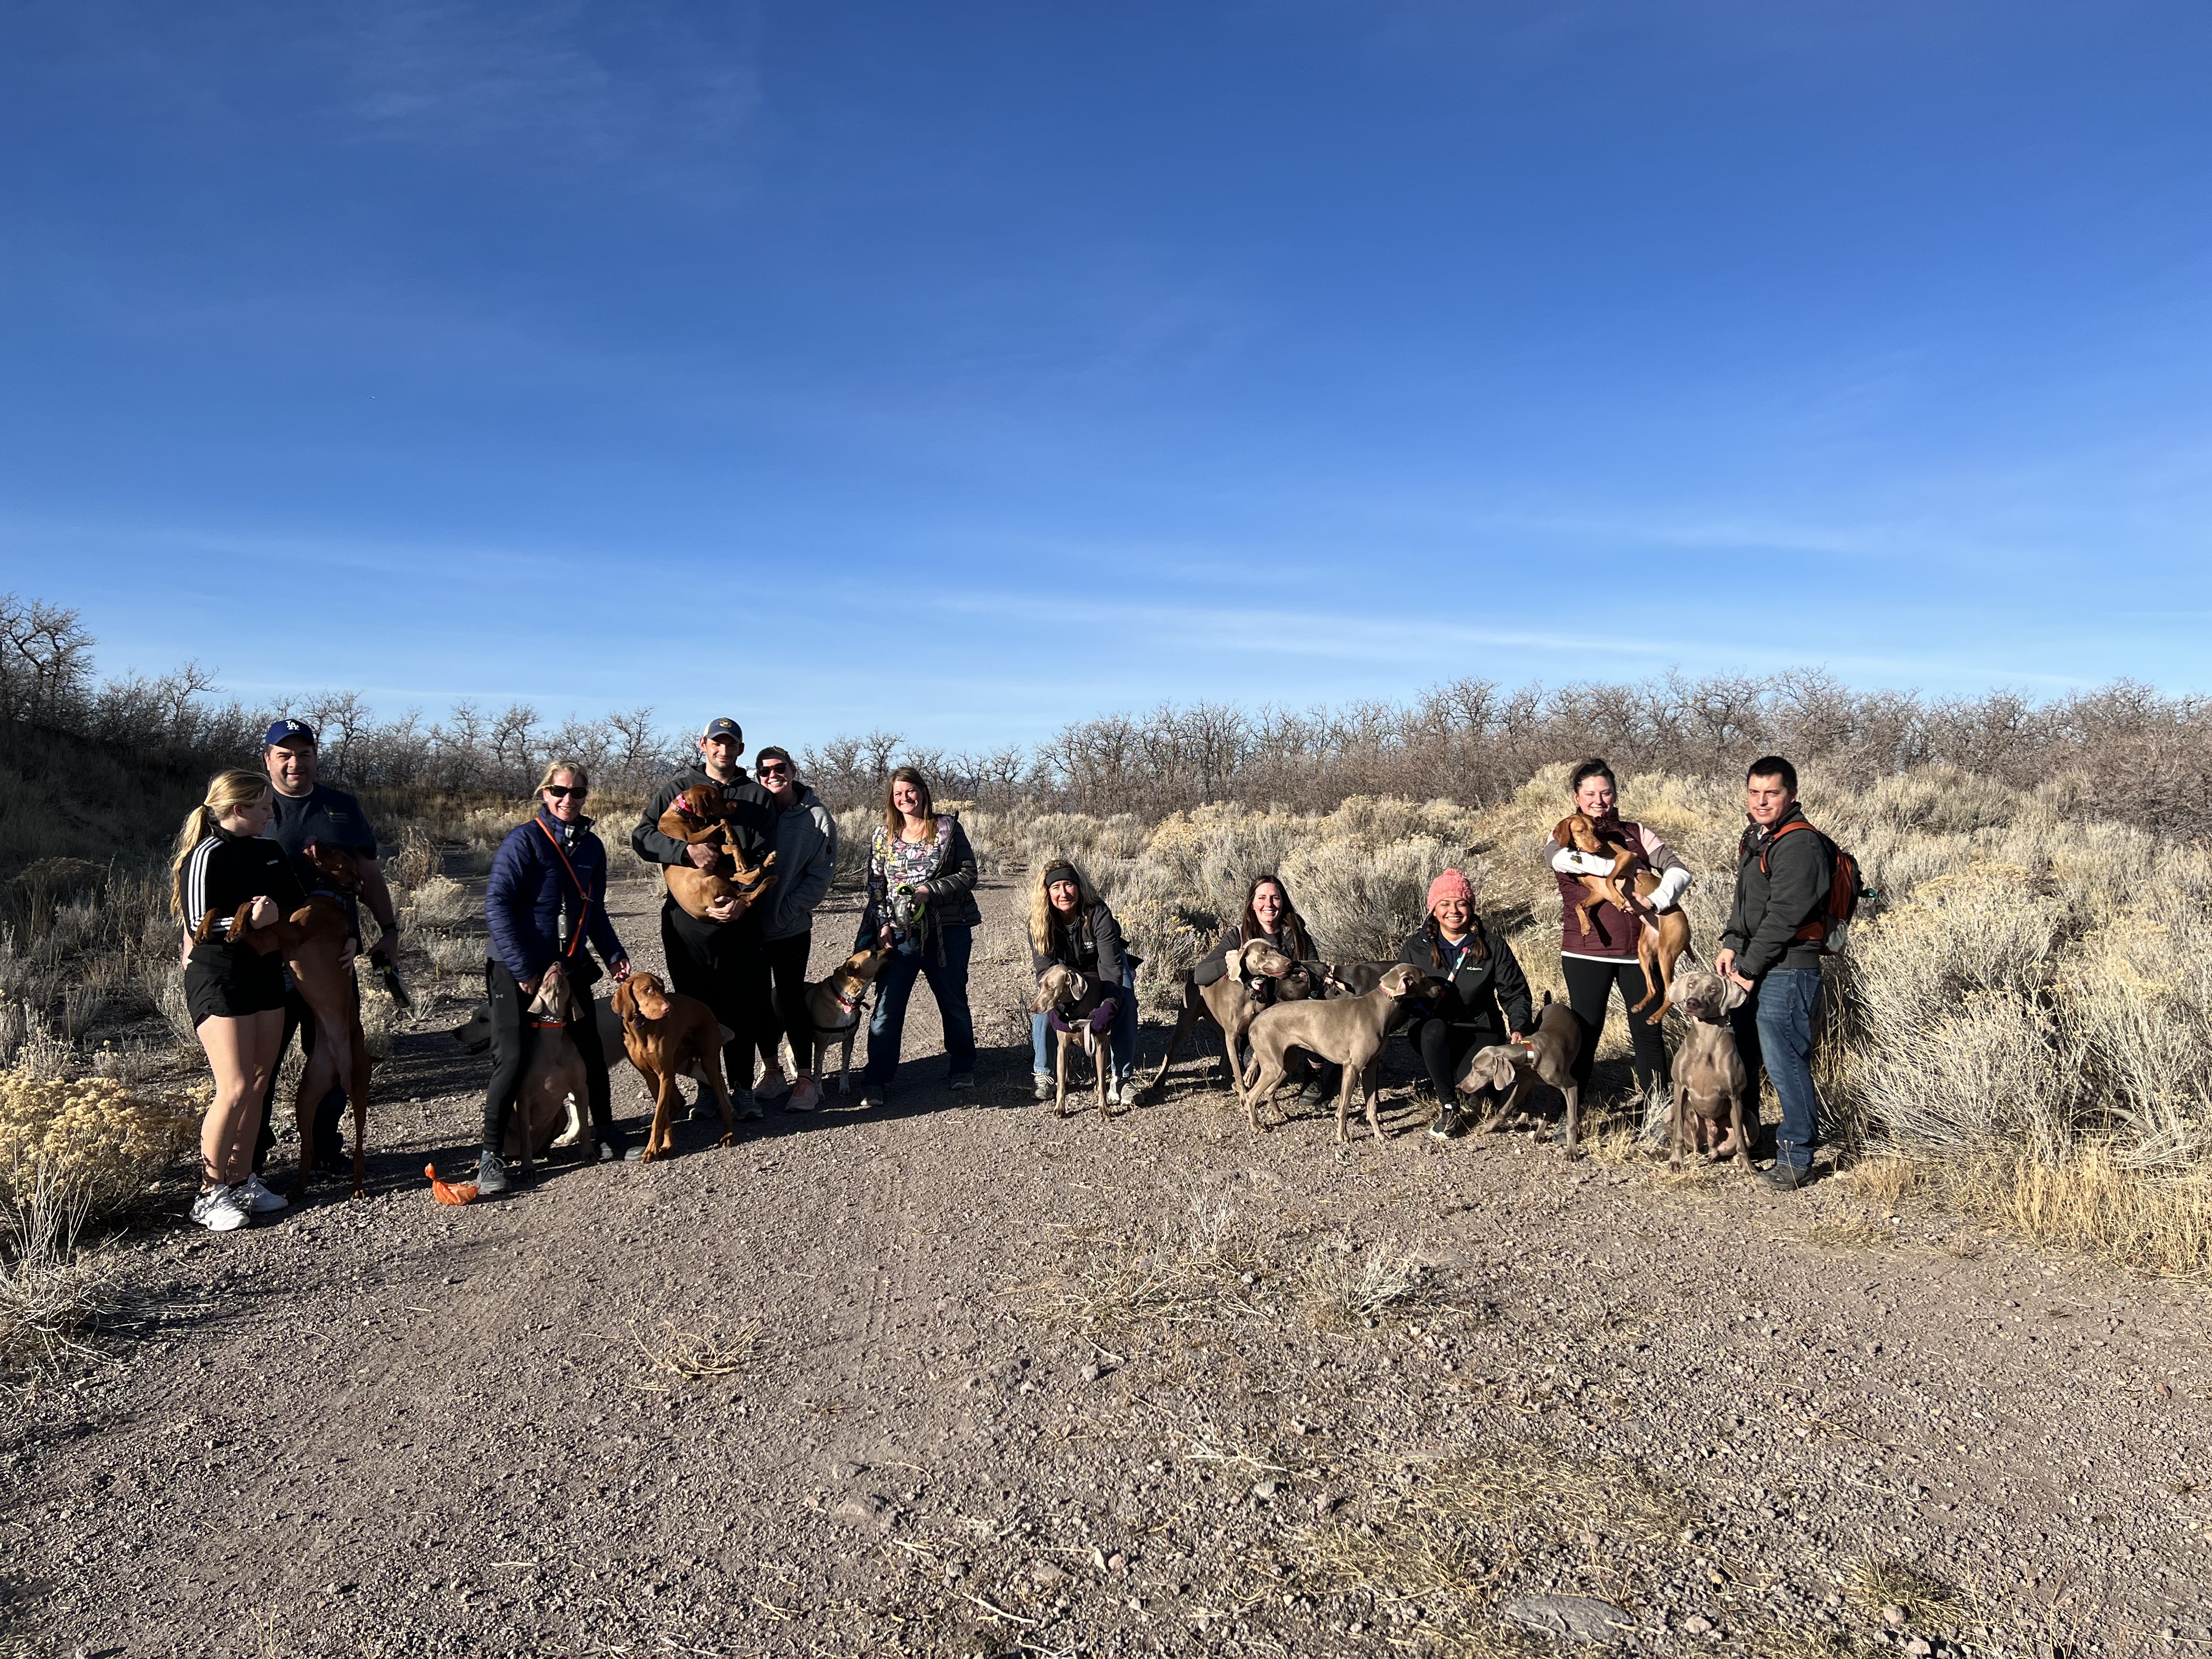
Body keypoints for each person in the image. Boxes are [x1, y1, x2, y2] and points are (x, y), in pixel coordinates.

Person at [252, 718, 402, 1180]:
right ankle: (251, 1161)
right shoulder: (253, 805)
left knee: (336, 1051)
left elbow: (368, 874)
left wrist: (388, 930)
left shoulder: (341, 807)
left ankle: (324, 1150)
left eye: (305, 754)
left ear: (316, 757)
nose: (295, 763)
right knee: (262, 1062)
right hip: (271, 958)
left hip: (335, 953)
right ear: (268, 759)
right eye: (285, 755)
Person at [478, 760, 633, 1191]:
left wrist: (614, 954)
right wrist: (523, 969)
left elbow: (593, 911)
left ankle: (606, 1134)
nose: (568, 800)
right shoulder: (524, 840)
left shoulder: (592, 847)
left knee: (589, 1049)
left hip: (566, 965)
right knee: (512, 1056)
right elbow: (497, 906)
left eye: (578, 792)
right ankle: (491, 1155)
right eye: (559, 791)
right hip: (516, 966)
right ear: (544, 793)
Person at [172, 769, 304, 1231]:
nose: (272, 814)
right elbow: (198, 925)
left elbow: (295, 904)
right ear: (237, 809)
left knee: (259, 1082)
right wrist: (252, 919)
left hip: (266, 974)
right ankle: (208, 1194)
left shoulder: (270, 850)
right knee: (233, 1085)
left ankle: (242, 1179)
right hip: (220, 977)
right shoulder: (205, 855)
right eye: (265, 806)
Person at [632, 718, 775, 1120]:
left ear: (740, 749)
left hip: (740, 917)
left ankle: (742, 1089)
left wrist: (744, 903)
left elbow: (766, 853)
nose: (723, 749)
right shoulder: (676, 790)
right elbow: (642, 838)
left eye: (731, 744)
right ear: (704, 744)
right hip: (688, 921)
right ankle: (709, 1091)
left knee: (743, 1003)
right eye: (717, 742)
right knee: (695, 1006)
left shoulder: (756, 796)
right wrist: (685, 852)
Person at [1716, 755, 1834, 1192]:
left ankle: (1797, 1157)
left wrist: (1748, 967)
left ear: (1792, 795)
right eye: (1754, 792)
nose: (1761, 801)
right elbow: (1745, 900)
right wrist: (1732, 942)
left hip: (1788, 971)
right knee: (1745, 1056)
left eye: (1772, 793)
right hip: (1755, 964)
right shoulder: (1758, 836)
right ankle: (1747, 1138)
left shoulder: (1800, 844)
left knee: (1786, 1064)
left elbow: (1785, 916)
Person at [1542, 759, 1691, 1105]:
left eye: (1606, 793)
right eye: (1590, 794)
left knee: (1648, 1033)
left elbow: (1680, 872)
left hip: (1637, 950)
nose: (1599, 800)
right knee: (1584, 1034)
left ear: (1615, 794)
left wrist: (1655, 901)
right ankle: (1571, 1113)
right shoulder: (1563, 833)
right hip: (1586, 950)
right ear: (1577, 797)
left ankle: (1659, 1112)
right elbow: (1562, 860)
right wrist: (1626, 864)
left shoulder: (1637, 833)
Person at [857, 766, 980, 1106]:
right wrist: (883, 924)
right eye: (898, 793)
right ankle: (877, 1079)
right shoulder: (882, 835)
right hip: (899, 935)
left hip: (947, 930)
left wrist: (931, 891)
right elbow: (876, 884)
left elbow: (969, 873)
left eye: (910, 791)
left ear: (923, 792)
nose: (905, 798)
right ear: (891, 799)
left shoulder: (947, 828)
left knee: (953, 1001)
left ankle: (962, 1067)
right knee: (887, 1006)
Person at [1396, 868, 1533, 1139]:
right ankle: (1449, 1107)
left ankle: (1461, 1085)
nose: (1454, 911)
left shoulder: (1492, 945)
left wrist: (1520, 1026)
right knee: (1433, 1031)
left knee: (1475, 1087)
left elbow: (1514, 992)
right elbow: (1397, 995)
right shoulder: (1415, 948)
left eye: (1461, 904)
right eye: (1445, 904)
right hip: (1432, 1028)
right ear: (1433, 909)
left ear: (1471, 908)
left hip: (1480, 1026)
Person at [749, 746, 839, 1113]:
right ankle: (772, 1072)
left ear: (792, 770)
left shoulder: (816, 817)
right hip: (749, 928)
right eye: (765, 770)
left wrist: (785, 912)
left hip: (790, 928)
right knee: (757, 1001)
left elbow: (820, 877)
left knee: (791, 999)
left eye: (779, 768)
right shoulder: (752, 810)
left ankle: (806, 1080)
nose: (773, 775)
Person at [1192, 873, 1332, 1100]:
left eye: (1275, 898)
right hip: (1259, 1019)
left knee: (1322, 1008)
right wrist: (1229, 962)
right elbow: (1200, 975)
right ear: (1252, 904)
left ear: (1283, 902)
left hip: (1294, 1012)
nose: (1269, 904)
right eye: (1262, 898)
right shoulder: (1239, 936)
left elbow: (1315, 969)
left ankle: (1314, 1074)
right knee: (1256, 1064)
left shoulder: (1296, 933)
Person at [1028, 858, 1140, 1105]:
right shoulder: (1039, 923)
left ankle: (1121, 1079)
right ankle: (1044, 1074)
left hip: (1102, 967)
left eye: (1069, 885)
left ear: (1079, 886)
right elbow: (1045, 972)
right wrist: (1058, 1010)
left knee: (1126, 999)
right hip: (1062, 972)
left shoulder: (1098, 913)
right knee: (1044, 1003)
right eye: (1056, 887)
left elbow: (1111, 966)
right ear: (1047, 893)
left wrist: (1109, 1003)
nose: (1063, 893)